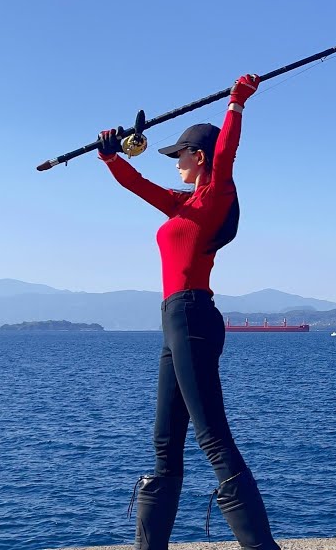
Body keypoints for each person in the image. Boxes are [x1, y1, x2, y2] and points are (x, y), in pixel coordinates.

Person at [99, 74, 279, 550]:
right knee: (165, 447)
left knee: (213, 439)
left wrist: (236, 103)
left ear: (197, 157)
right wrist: (110, 154)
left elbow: (226, 155)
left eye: (179, 154)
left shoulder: (215, 193)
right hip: (174, 322)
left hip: (193, 318)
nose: (174, 162)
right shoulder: (182, 204)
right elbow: (136, 184)